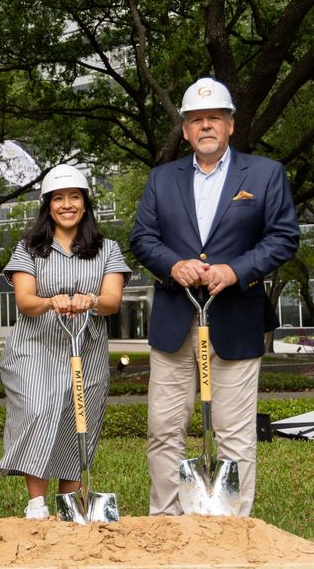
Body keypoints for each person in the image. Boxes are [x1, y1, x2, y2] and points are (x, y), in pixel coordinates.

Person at [130, 77, 299, 517]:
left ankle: (231, 530)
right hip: (175, 321)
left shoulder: (264, 174)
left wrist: (235, 269)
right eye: (196, 120)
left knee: (234, 432)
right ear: (185, 130)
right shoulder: (161, 179)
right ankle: (166, 521)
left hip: (236, 322)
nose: (205, 126)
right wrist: (173, 264)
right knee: (165, 429)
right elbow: (142, 237)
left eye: (214, 118)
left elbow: (283, 238)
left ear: (230, 126)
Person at [0, 164, 129, 519]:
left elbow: (112, 301)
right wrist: (51, 301)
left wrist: (92, 300)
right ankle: (36, 503)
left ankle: (71, 504)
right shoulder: (29, 248)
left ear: (85, 204)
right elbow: (25, 300)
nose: (66, 204)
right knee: (37, 408)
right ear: (47, 205)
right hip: (34, 346)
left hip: (85, 346)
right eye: (58, 198)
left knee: (78, 418)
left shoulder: (108, 249)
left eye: (74, 197)